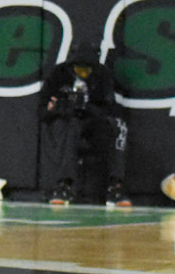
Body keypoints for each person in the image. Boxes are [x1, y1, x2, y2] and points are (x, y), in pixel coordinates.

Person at [38, 43, 130, 207]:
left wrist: (88, 106)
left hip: (93, 121)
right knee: (69, 126)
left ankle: (115, 186)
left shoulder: (102, 75)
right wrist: (62, 107)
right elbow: (42, 109)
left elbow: (109, 108)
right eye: (79, 69)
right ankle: (64, 186)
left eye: (87, 70)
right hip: (66, 122)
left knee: (117, 126)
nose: (83, 73)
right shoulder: (58, 74)